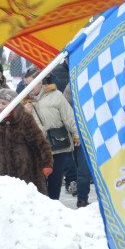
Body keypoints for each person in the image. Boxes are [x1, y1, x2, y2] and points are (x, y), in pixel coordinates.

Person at [0, 89, 53, 195]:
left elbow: (40, 142)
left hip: (26, 173)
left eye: (4, 103)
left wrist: (46, 163)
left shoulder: (24, 118)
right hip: (2, 174)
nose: (0, 106)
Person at [23, 70, 78, 201]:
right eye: (25, 85)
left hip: (58, 144)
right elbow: (17, 126)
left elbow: (68, 116)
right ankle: (42, 209)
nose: (28, 88)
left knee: (55, 180)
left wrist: (76, 133)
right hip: (36, 147)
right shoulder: (22, 101)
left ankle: (53, 207)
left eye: (31, 84)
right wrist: (25, 113)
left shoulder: (56, 95)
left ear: (40, 82)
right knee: (38, 181)